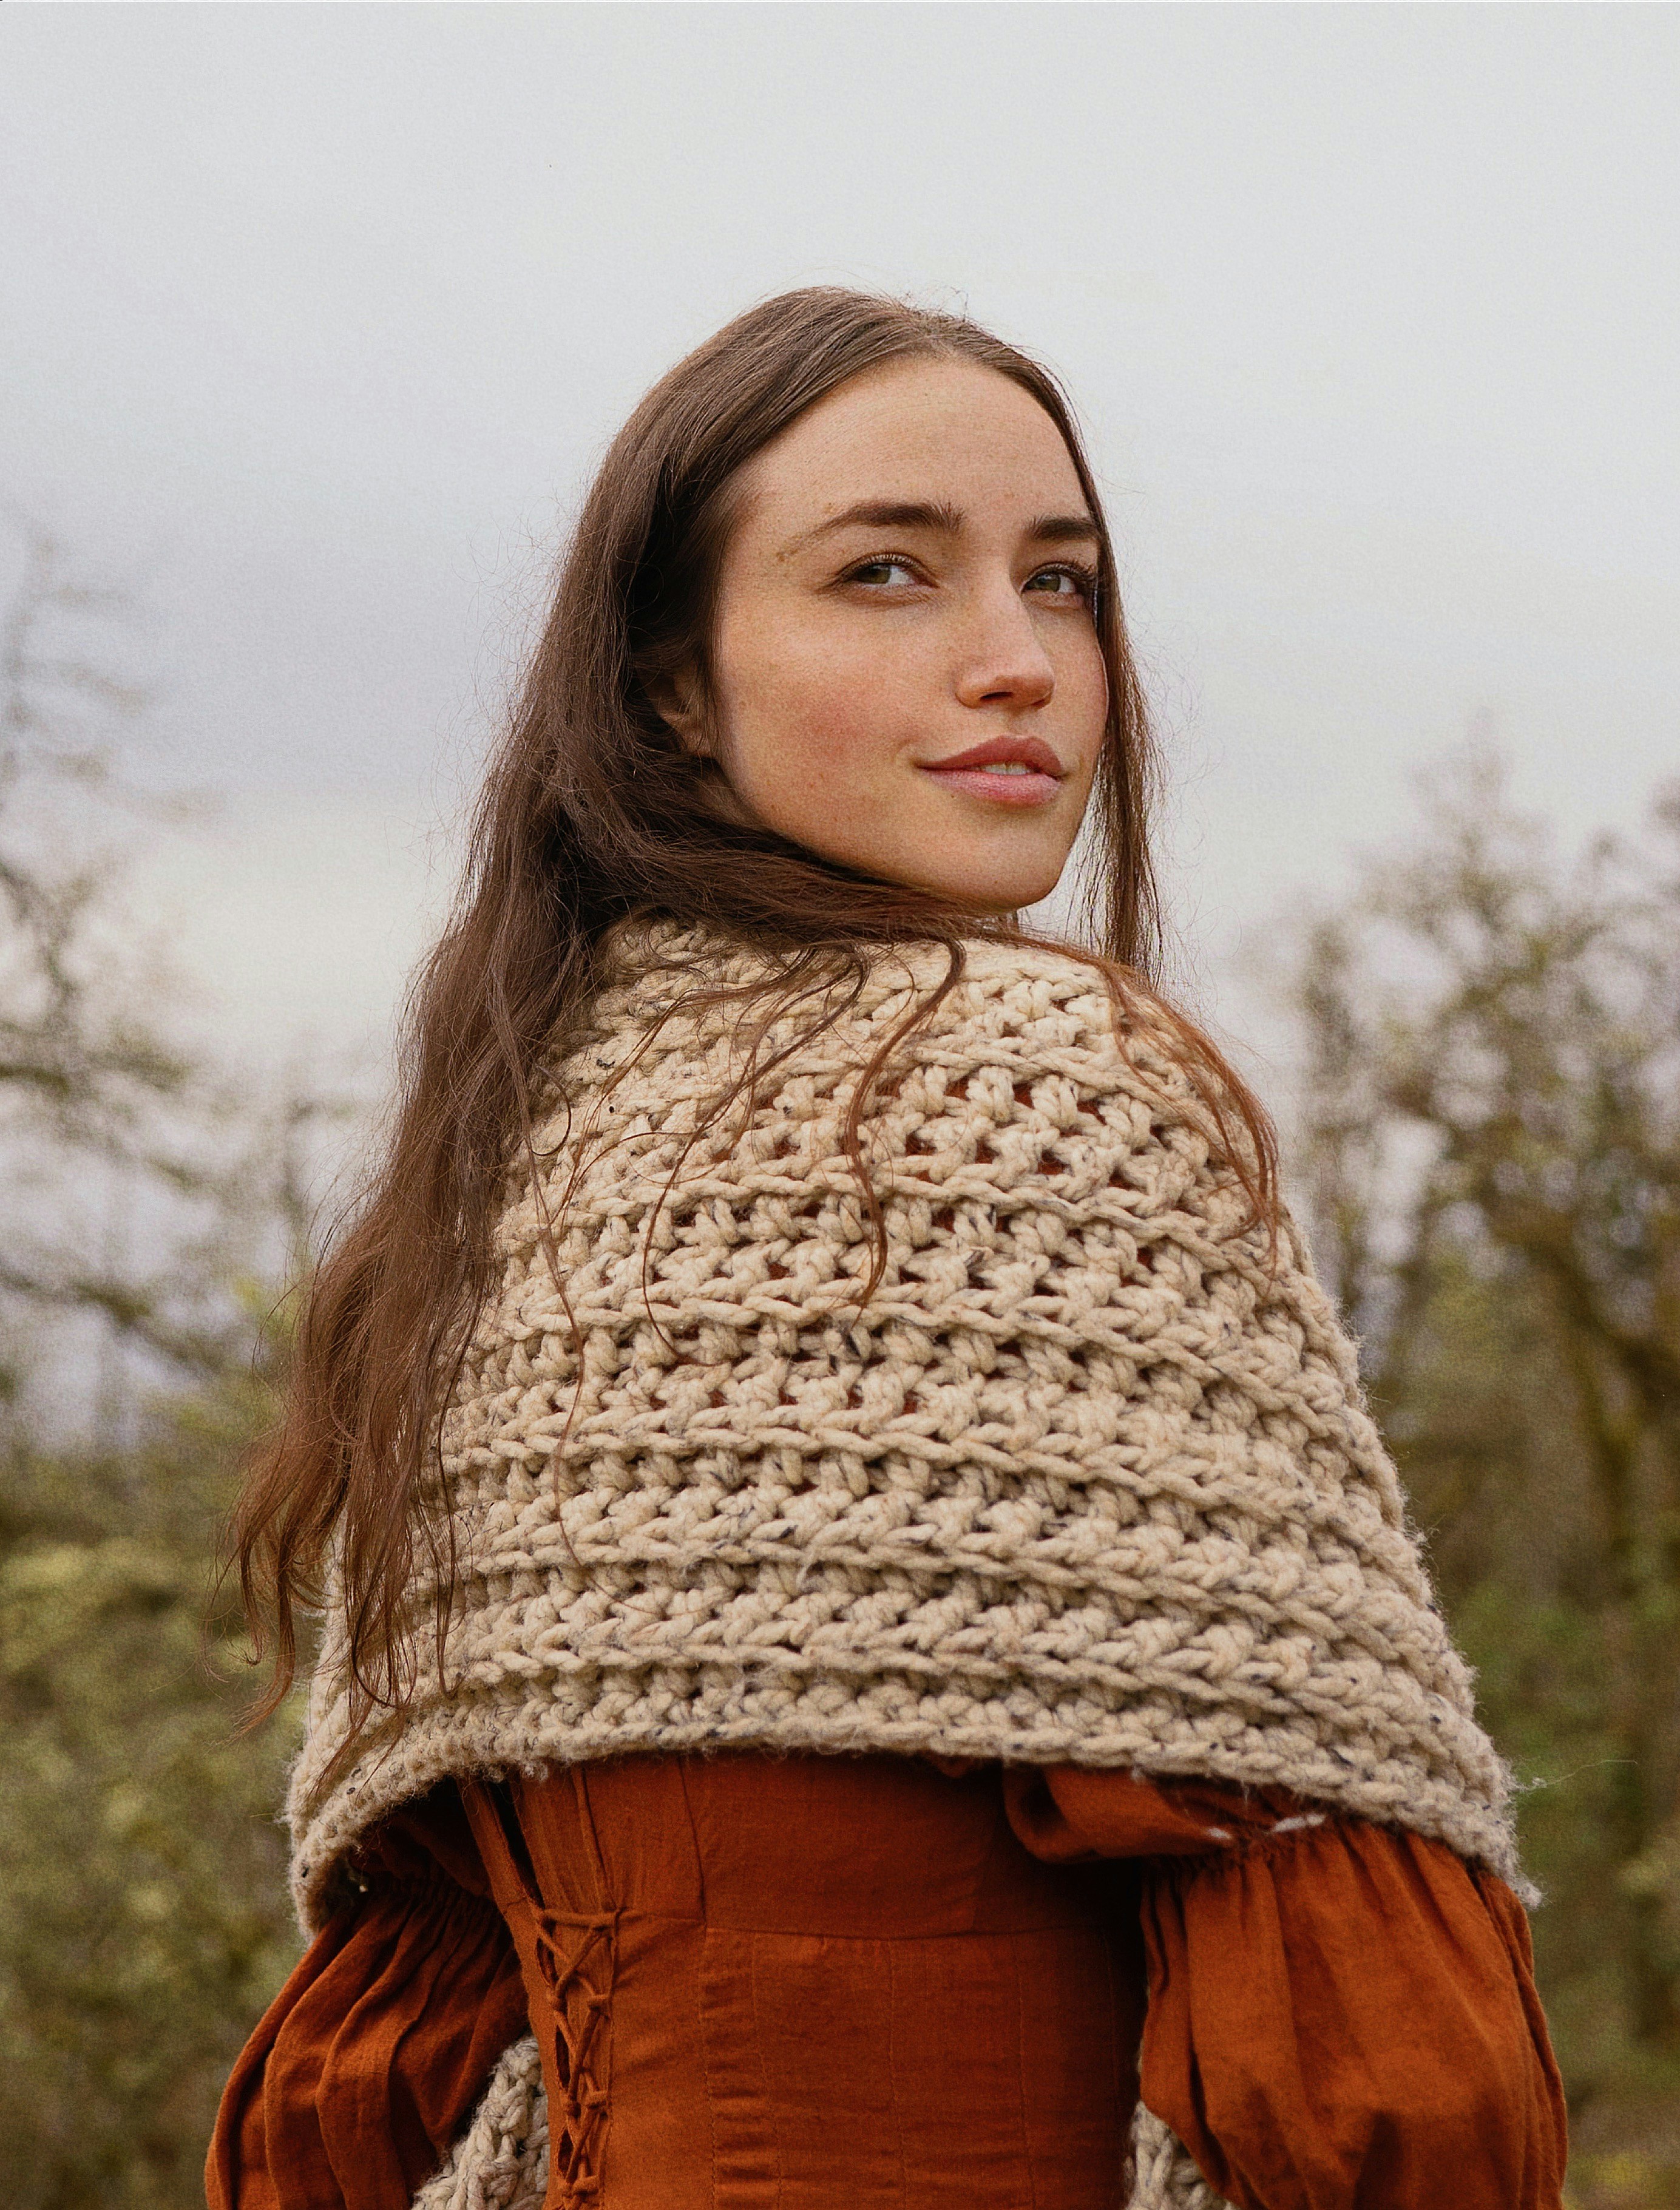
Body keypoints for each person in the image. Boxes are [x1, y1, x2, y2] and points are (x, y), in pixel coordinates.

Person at [208, 288, 1567, 2210]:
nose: (1015, 660)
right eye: (886, 573)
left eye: (1064, 583)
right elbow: (1370, 2045)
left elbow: (387, 2060)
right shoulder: (1032, 1080)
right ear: (673, 678)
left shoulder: (485, 1166)